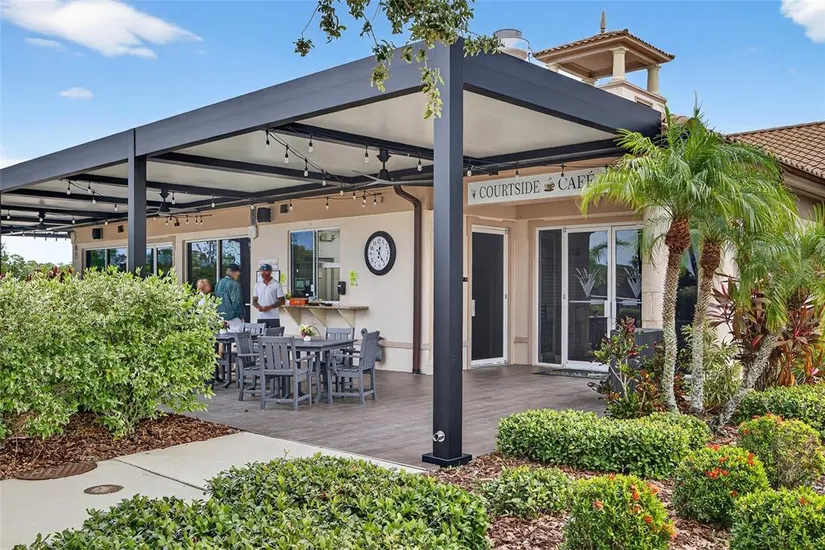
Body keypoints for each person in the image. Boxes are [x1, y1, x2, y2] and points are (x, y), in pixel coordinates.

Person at [253, 263, 285, 328]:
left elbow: (282, 301)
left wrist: (269, 307)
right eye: (262, 271)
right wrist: (259, 307)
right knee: (261, 334)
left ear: (270, 272)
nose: (263, 273)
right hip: (261, 317)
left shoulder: (276, 284)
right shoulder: (257, 284)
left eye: (265, 271)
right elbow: (254, 301)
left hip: (273, 317)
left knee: (274, 334)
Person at [216, 264, 245, 332]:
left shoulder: (219, 283)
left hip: (221, 317)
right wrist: (241, 316)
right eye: (238, 272)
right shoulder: (234, 284)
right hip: (233, 318)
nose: (238, 274)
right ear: (234, 272)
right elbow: (237, 302)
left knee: (223, 336)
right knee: (236, 337)